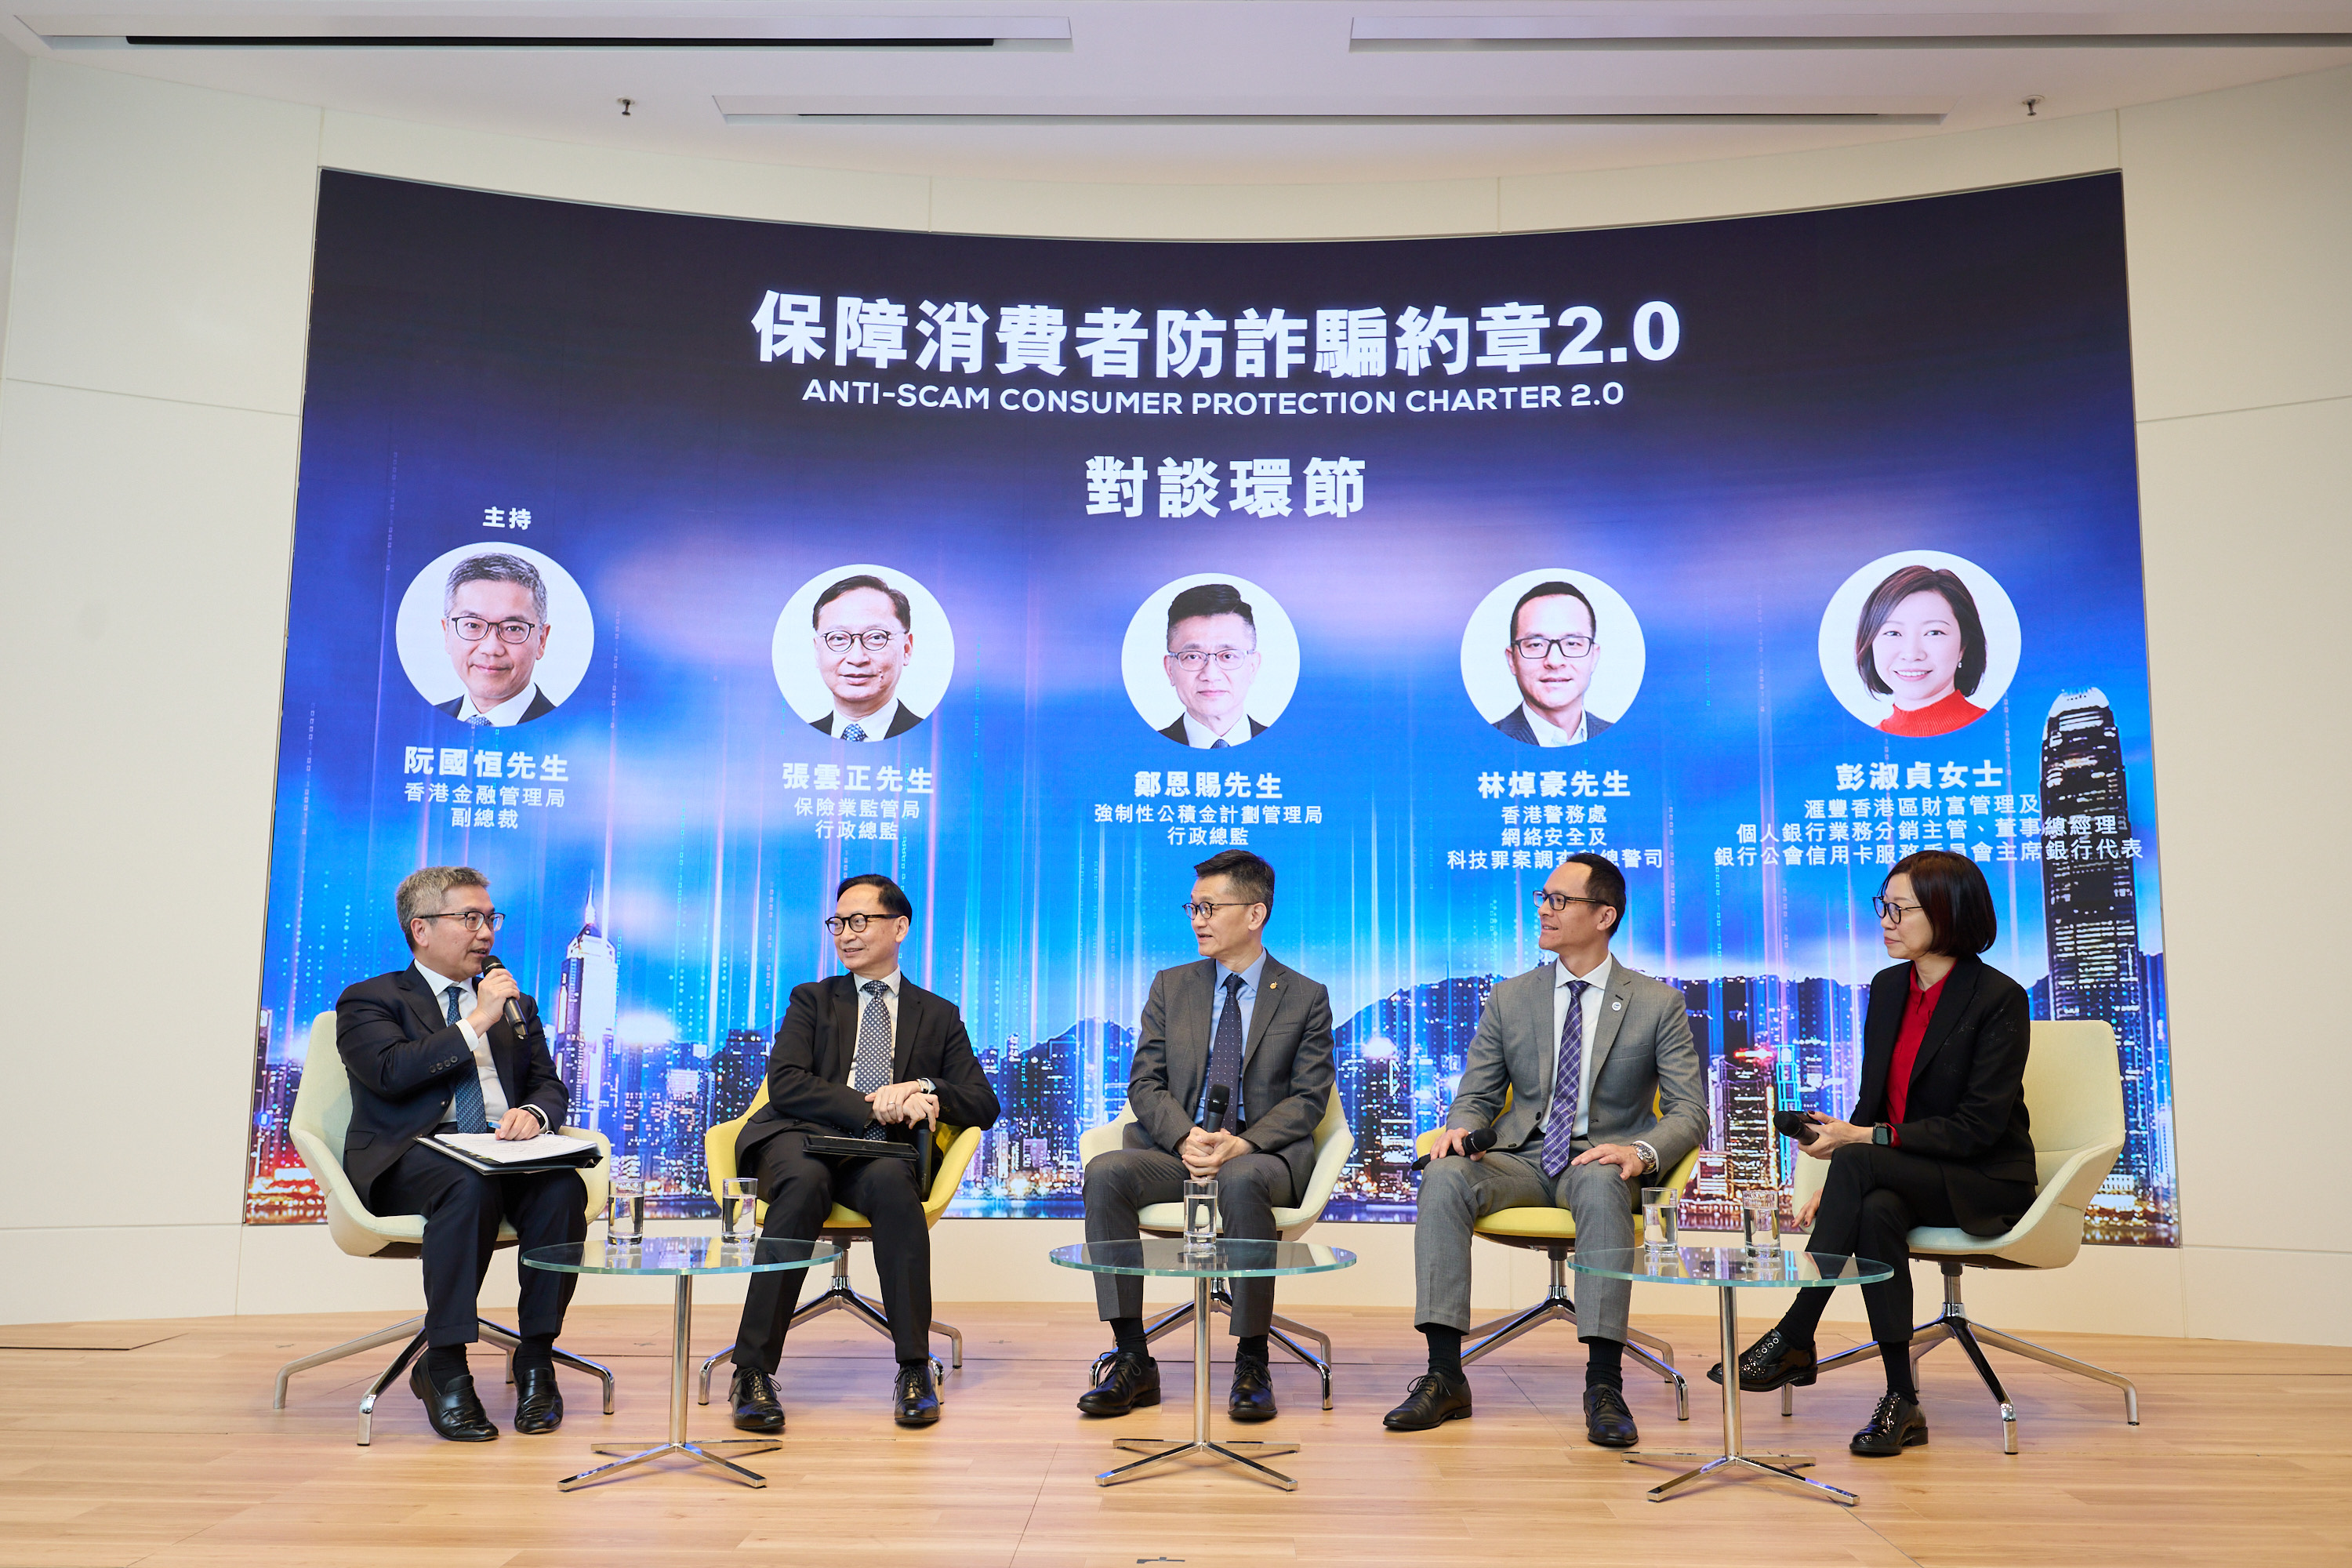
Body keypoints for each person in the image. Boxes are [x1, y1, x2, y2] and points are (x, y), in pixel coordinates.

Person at [1711, 850, 2037, 1458]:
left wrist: (1860, 1149)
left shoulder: (1999, 998)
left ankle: (1796, 1331)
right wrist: (1839, 1177)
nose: (1885, 920)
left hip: (1983, 1178)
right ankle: (1901, 1399)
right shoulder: (1889, 988)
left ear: (1947, 911)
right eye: (1881, 906)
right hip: (1904, 1172)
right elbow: (1873, 1105)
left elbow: (1977, 1129)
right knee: (1875, 1209)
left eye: (1899, 909)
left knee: (1866, 1173)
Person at [1386, 852, 1706, 1446]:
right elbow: (1476, 1094)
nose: (1543, 908)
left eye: (1560, 900)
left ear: (1604, 915)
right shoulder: (1511, 998)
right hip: (1521, 1157)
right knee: (1445, 1176)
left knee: (1602, 1180)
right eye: (1542, 897)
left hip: (1602, 1158)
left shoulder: (1656, 1003)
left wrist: (1639, 1151)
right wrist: (1459, 1127)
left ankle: (1604, 1384)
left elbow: (1690, 1110)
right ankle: (1443, 1375)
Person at [728, 874, 999, 1431]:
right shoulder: (812, 998)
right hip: (799, 1139)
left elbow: (981, 1102)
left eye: (859, 921)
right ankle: (752, 1370)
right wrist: (872, 1105)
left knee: (897, 1191)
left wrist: (924, 1089)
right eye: (837, 923)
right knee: (803, 1185)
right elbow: (787, 1084)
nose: (845, 935)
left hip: (875, 1156)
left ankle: (914, 1367)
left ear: (898, 928)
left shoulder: (938, 1014)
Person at [1077, 850, 1334, 1422]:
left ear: (1255, 914)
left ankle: (1250, 1358)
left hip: (1258, 1155)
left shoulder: (1304, 995)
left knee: (1242, 1181)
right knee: (1107, 1173)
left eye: (1210, 907)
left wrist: (1243, 1143)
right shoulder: (1172, 987)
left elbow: (1309, 1098)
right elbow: (1144, 1083)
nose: (1197, 919)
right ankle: (1131, 1355)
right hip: (1179, 1150)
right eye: (1193, 907)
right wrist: (1183, 1137)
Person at [335, 866, 583, 1441]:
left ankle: (536, 1357)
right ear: (420, 929)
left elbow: (549, 1082)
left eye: (490, 918)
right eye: (469, 918)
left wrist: (537, 1115)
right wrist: (477, 1022)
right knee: (464, 1183)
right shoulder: (371, 999)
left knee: (560, 1187)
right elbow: (391, 1073)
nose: (486, 933)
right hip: (412, 1154)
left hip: (499, 1146)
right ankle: (444, 1363)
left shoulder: (515, 1005)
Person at [1853, 564, 1991, 739]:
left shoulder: (2000, 734)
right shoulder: (1863, 748)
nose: (1912, 654)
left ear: (1963, 647)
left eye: (1934, 632)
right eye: (1893, 633)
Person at [434, 553, 559, 725]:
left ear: (542, 640)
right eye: (473, 625)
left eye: (513, 628)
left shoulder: (569, 732)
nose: (491, 648)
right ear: (447, 633)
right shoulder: (421, 724)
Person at [810, 574, 927, 740]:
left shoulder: (935, 740)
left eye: (876, 637)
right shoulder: (790, 741)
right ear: (817, 651)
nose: (857, 658)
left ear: (906, 649)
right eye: (838, 638)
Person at [1157, 582, 1269, 747]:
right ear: (1170, 670)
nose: (1210, 675)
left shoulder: (1291, 749)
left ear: (1253, 666)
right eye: (1193, 656)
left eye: (1228, 656)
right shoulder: (1139, 752)